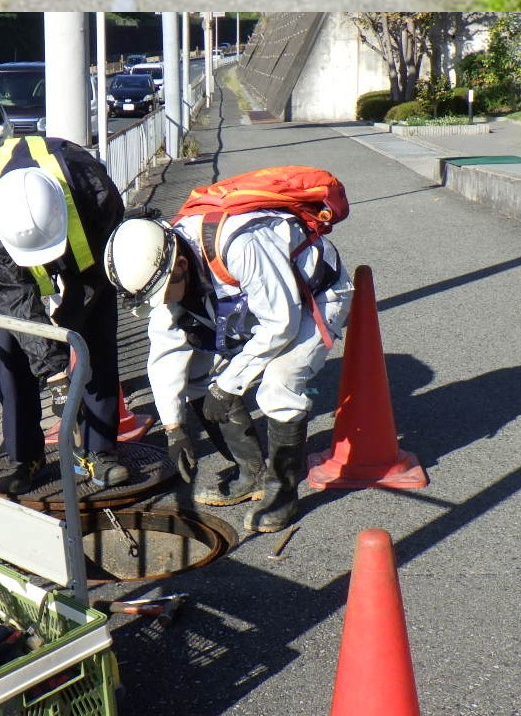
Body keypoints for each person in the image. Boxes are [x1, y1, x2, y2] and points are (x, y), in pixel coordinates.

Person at [104, 197, 353, 533]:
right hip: (253, 300)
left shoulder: (240, 245)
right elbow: (165, 350)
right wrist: (174, 428)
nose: (163, 302)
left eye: (164, 294)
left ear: (180, 266)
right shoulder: (162, 263)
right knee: (199, 376)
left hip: (315, 295)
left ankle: (282, 494)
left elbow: (282, 324)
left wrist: (227, 385)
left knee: (280, 382)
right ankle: (251, 474)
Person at [0, 135, 129, 494]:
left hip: (89, 252)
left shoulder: (95, 189)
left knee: (97, 339)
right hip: (4, 260)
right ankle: (24, 456)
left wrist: (70, 327)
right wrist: (55, 372)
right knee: (7, 344)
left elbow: (98, 276)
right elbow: (15, 297)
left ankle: (99, 452)